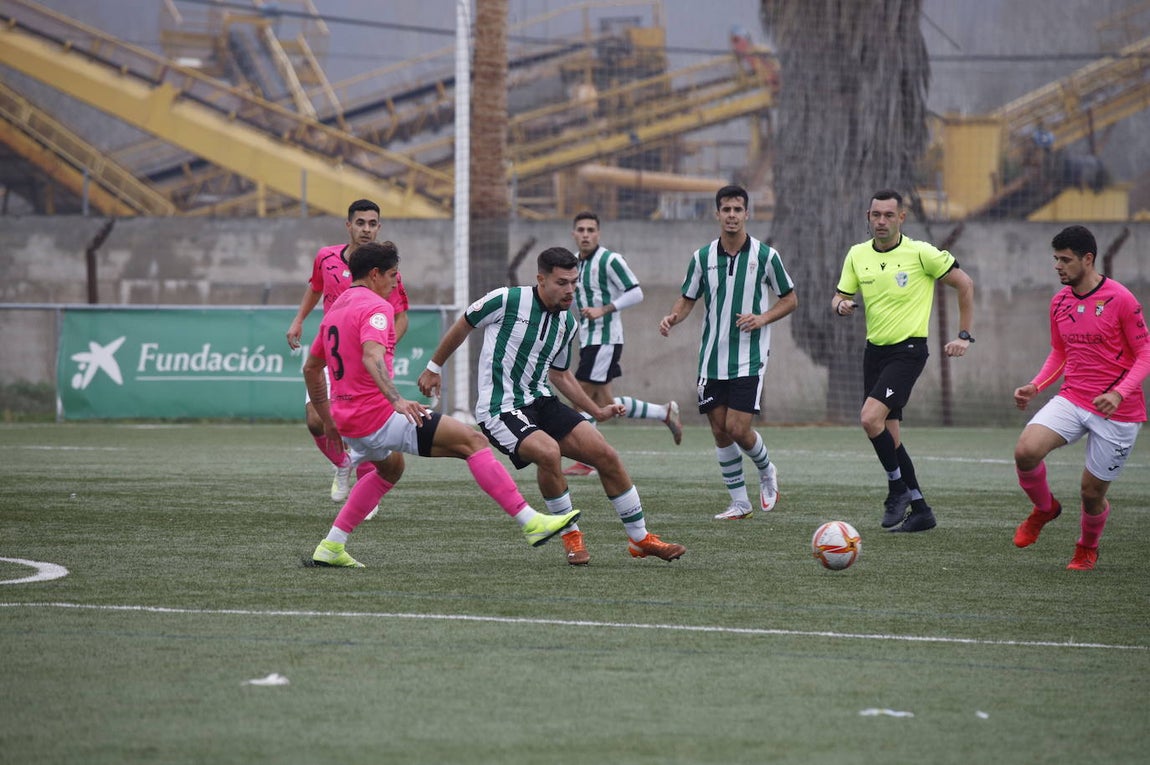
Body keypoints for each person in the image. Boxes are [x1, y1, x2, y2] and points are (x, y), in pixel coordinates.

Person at [303, 242, 579, 567]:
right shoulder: (376, 308)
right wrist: (396, 400)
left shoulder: (336, 309)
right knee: (473, 441)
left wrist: (329, 419)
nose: (395, 283)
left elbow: (311, 368)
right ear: (375, 274)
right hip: (376, 416)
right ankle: (531, 522)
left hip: (348, 419)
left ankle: (332, 546)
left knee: (391, 469)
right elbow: (371, 355)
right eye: (392, 275)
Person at [417, 246, 686, 566]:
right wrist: (434, 368)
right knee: (548, 452)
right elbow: (464, 324)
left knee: (606, 455)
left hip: (541, 400)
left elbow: (560, 374)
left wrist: (596, 410)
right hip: (500, 408)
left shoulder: (567, 324)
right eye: (562, 282)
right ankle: (571, 537)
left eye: (574, 282)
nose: (570, 290)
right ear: (541, 279)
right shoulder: (506, 300)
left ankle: (640, 539)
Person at [831, 188, 975, 532]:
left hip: (908, 351)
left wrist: (964, 335)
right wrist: (840, 305)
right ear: (868, 217)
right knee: (889, 435)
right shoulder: (857, 255)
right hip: (875, 353)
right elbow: (840, 295)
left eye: (888, 215)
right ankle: (921, 509)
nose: (881, 221)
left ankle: (896, 490)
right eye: (875, 215)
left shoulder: (921, 253)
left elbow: (965, 284)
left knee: (869, 419)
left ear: (901, 218)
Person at [1011, 225, 1150, 570]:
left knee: (1091, 494)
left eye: (1065, 260)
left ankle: (1087, 546)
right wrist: (1037, 385)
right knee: (1026, 451)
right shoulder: (1059, 301)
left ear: (1088, 259)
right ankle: (1045, 509)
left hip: (1119, 413)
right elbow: (1060, 352)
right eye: (1056, 259)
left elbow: (1145, 353)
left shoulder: (1120, 299)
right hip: (1073, 398)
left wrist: (1118, 394)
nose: (1057, 266)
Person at [659, 184, 796, 520]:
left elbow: (790, 299)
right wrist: (673, 317)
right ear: (717, 213)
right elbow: (688, 298)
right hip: (711, 358)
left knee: (737, 427)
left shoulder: (766, 256)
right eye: (726, 209)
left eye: (738, 209)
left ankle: (766, 470)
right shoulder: (702, 257)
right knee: (719, 430)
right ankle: (740, 503)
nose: (732, 215)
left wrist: (762, 318)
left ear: (747, 214)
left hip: (749, 356)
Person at [287, 199, 408, 512]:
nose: (366, 229)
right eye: (360, 223)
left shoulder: (383, 269)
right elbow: (315, 287)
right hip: (332, 350)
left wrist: (382, 345)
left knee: (365, 428)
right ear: (349, 225)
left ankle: (365, 492)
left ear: (379, 227)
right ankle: (343, 465)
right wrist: (299, 320)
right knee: (315, 420)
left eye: (372, 224)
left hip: (363, 358)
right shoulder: (326, 257)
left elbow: (401, 316)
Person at [563, 210, 682, 477]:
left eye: (590, 230)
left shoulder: (609, 260)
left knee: (579, 398)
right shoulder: (573, 263)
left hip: (605, 338)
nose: (585, 235)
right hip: (589, 339)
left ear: (598, 233)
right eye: (580, 230)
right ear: (573, 234)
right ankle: (663, 412)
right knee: (605, 401)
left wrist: (603, 309)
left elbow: (636, 292)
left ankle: (587, 459)